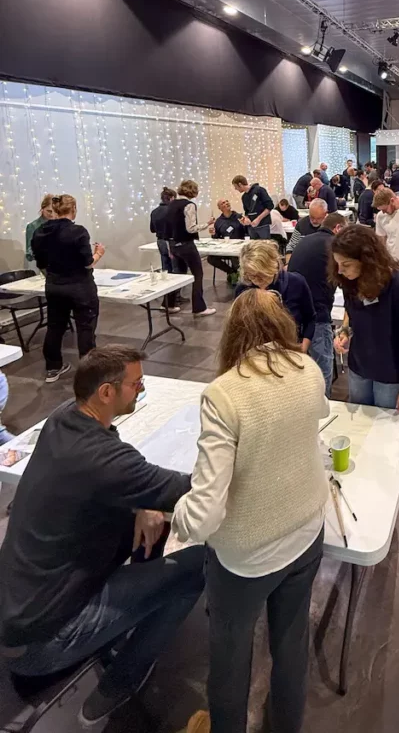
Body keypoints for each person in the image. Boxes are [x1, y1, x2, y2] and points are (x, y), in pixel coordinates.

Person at [0, 347, 205, 726]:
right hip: (41, 642)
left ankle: (127, 615)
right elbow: (188, 488)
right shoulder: (104, 460)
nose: (141, 389)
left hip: (16, 610)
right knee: (198, 567)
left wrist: (143, 504)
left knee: (151, 523)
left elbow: (113, 478)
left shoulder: (63, 420)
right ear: (106, 393)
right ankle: (118, 684)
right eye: (135, 383)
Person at [172, 293, 328, 733]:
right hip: (306, 530)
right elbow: (320, 412)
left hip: (245, 558)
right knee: (291, 646)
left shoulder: (223, 394)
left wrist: (173, 514)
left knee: (230, 656)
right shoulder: (308, 369)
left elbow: (202, 516)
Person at [330, 226, 399, 410]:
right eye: (337, 264)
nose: (340, 271)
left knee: (385, 427)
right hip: (359, 366)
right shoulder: (350, 281)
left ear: (365, 260)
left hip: (389, 372)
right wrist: (345, 331)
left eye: (346, 264)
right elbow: (351, 311)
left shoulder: (397, 285)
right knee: (360, 423)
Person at [31, 194, 104, 383]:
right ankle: (88, 372)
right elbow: (87, 263)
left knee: (55, 327)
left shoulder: (39, 232)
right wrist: (98, 254)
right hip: (80, 287)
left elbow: (41, 263)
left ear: (54, 209)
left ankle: (52, 368)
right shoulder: (78, 232)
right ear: (74, 210)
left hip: (54, 286)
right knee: (86, 328)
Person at [288, 211, 348, 395]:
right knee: (323, 363)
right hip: (316, 312)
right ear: (337, 228)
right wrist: (345, 326)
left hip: (291, 311)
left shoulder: (305, 240)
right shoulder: (333, 246)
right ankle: (323, 404)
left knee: (298, 362)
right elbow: (347, 282)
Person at [235, 240, 315, 353]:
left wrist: (303, 347)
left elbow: (310, 319)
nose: (257, 280)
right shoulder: (243, 289)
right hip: (256, 352)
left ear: (274, 266)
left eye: (263, 275)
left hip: (291, 349)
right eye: (251, 275)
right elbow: (238, 327)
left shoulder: (296, 283)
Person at [165, 180, 216, 317]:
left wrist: (170, 246)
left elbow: (168, 228)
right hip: (186, 245)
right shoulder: (189, 205)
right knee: (197, 274)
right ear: (192, 191)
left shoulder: (171, 204)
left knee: (178, 275)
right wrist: (207, 224)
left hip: (174, 245)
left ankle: (169, 304)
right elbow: (191, 228)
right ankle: (199, 308)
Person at [149, 187, 182, 311]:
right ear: (172, 198)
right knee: (177, 270)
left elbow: (152, 229)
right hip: (172, 241)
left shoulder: (154, 211)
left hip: (160, 241)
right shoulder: (172, 211)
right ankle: (174, 298)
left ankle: (168, 299)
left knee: (166, 270)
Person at [209, 198, 246, 284]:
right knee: (211, 258)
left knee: (234, 257)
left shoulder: (239, 217)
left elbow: (246, 232)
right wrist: (213, 233)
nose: (226, 203)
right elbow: (216, 238)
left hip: (238, 248)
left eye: (227, 201)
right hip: (225, 248)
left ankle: (238, 277)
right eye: (223, 203)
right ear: (220, 208)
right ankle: (231, 272)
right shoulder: (219, 221)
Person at [232, 174, 274, 240]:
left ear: (240, 184)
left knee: (265, 247)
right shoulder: (244, 197)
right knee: (253, 248)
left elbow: (270, 206)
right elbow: (247, 212)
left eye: (235, 186)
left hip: (262, 225)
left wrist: (258, 219)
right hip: (251, 227)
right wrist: (245, 219)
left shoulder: (259, 190)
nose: (235, 189)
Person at [24, 193, 55, 266]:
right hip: (41, 266)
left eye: (54, 211)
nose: (52, 214)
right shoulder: (33, 226)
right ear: (42, 209)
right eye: (49, 211)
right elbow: (29, 253)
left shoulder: (59, 224)